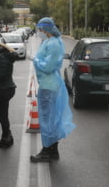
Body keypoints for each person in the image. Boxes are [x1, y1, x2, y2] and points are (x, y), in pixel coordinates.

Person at [29, 17, 75, 162]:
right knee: (50, 119)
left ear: (46, 29)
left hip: (49, 86)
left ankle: (47, 151)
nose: (40, 32)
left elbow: (48, 67)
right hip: (47, 84)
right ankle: (52, 151)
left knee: (48, 120)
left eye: (41, 29)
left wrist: (35, 60)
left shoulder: (54, 43)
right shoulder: (49, 41)